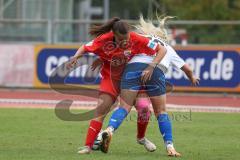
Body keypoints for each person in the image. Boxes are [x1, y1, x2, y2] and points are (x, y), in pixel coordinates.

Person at [100, 15, 199, 157]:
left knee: (124, 108)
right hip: (155, 71)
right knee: (161, 112)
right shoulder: (167, 47)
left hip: (132, 69)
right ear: (164, 37)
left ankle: (109, 129)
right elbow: (187, 69)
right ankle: (170, 146)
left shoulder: (139, 39)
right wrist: (192, 78)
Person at [67, 17, 166, 154]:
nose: (125, 42)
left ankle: (141, 138)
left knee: (144, 109)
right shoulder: (103, 40)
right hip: (111, 79)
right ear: (113, 35)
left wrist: (151, 67)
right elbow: (84, 47)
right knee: (101, 110)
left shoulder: (136, 38)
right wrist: (75, 57)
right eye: (121, 40)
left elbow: (161, 49)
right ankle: (87, 146)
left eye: (127, 38)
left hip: (131, 80)